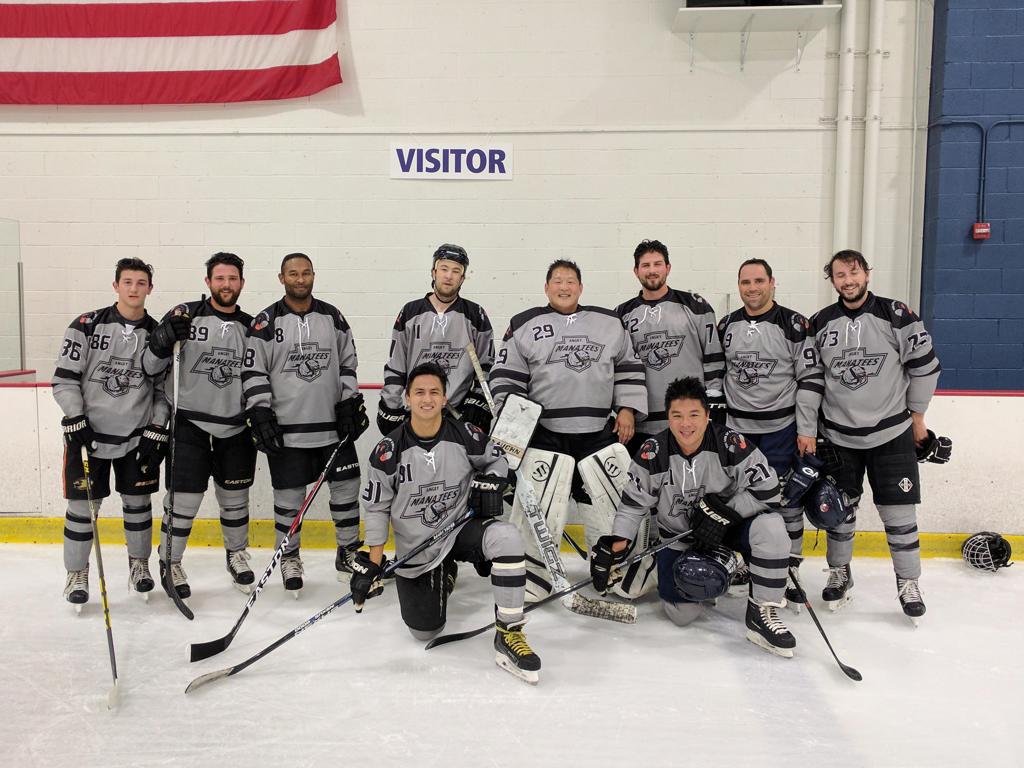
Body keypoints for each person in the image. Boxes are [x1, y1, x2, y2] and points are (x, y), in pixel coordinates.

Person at [354, 362, 540, 684]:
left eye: (434, 392)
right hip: (419, 546)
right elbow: (376, 508)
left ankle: (509, 632)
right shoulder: (388, 451)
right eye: (419, 392)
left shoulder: (465, 434)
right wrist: (373, 561)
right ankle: (445, 572)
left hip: (460, 528)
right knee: (424, 630)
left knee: (507, 537)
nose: (427, 399)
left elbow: (497, 460)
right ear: (407, 399)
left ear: (444, 398)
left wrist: (493, 480)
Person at [591, 377, 795, 656]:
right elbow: (632, 505)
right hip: (680, 538)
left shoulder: (729, 443)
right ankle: (685, 568)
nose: (686, 424)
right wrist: (617, 544)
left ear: (707, 415)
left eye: (694, 415)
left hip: (726, 531)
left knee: (771, 527)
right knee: (682, 615)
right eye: (677, 416)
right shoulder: (653, 452)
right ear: (668, 417)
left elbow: (769, 490)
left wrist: (722, 513)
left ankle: (761, 612)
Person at [489, 259, 647, 601]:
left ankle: (612, 563)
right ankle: (534, 571)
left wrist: (627, 408)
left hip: (597, 430)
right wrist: (515, 426)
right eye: (557, 281)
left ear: (581, 287)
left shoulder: (609, 322)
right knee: (540, 501)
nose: (564, 287)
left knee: (610, 495)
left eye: (571, 281)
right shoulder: (524, 323)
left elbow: (628, 366)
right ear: (546, 288)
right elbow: (506, 377)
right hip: (546, 432)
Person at [799, 250, 941, 621]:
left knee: (899, 515)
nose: (848, 280)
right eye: (840, 275)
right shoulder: (820, 323)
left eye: (853, 272)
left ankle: (908, 582)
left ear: (866, 273)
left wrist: (918, 418)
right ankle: (839, 571)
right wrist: (808, 429)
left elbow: (925, 367)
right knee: (838, 513)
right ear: (832, 280)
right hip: (838, 437)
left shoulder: (896, 314)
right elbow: (812, 381)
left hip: (891, 434)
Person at [241, 252, 369, 593]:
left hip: (332, 427)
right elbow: (254, 371)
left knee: (347, 488)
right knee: (289, 499)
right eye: (293, 273)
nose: (300, 279)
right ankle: (289, 556)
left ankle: (347, 552)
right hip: (288, 430)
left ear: (314, 275)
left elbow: (348, 363)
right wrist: (260, 411)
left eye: (306, 273)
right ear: (281, 278)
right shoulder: (266, 322)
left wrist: (349, 401)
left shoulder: (333, 317)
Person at [54, 257, 170, 607]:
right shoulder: (87, 325)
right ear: (116, 285)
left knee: (138, 505)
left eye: (141, 283)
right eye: (128, 282)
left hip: (136, 437)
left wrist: (157, 426)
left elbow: (164, 391)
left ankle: (139, 565)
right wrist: (75, 416)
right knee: (82, 508)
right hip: (88, 436)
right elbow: (65, 379)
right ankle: (76, 573)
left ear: (150, 288)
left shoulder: (158, 334)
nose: (134, 289)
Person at [141, 252, 256, 598]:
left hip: (236, 426)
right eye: (220, 278)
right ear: (208, 281)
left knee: (235, 499)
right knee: (184, 501)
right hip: (189, 423)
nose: (226, 285)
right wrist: (161, 340)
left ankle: (236, 555)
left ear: (242, 283)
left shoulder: (252, 326)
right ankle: (170, 561)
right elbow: (150, 369)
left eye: (232, 279)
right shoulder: (184, 316)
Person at [716, 258, 821, 603]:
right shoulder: (726, 325)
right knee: (742, 499)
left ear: (772, 282)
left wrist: (807, 430)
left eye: (759, 281)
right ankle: (751, 563)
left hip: (780, 430)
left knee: (786, 500)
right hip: (738, 431)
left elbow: (809, 379)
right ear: (738, 286)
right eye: (745, 282)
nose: (752, 288)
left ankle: (790, 568)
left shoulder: (794, 324)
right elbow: (717, 376)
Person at [616, 239, 725, 447]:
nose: (652, 270)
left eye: (657, 264)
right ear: (636, 271)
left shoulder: (695, 305)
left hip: (689, 420)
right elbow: (619, 367)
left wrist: (712, 405)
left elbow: (714, 358)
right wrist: (625, 407)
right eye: (645, 265)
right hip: (643, 422)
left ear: (668, 267)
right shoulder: (622, 314)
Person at [377, 244, 494, 437]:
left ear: (462, 278)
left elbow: (486, 366)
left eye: (456, 271)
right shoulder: (410, 312)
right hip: (416, 414)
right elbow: (397, 365)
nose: (449, 276)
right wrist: (391, 404)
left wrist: (477, 401)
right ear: (434, 272)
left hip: (458, 416)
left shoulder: (475, 315)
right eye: (444, 269)